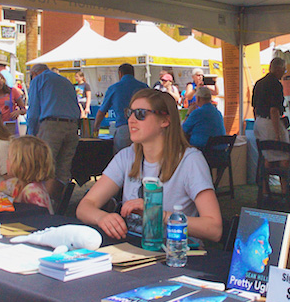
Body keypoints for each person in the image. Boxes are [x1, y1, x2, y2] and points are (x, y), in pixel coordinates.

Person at [77, 88, 222, 242]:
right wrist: (102, 218)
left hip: (174, 253)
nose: (131, 120)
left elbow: (214, 229)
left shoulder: (190, 161)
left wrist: (158, 214)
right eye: (129, 113)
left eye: (140, 114)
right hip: (133, 248)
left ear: (165, 121)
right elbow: (85, 206)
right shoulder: (127, 156)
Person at [25, 65, 80, 202]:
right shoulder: (66, 81)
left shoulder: (39, 80)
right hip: (72, 126)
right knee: (63, 170)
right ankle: (59, 204)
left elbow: (33, 111)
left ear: (34, 73)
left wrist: (31, 135)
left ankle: (45, 205)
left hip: (51, 125)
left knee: (45, 167)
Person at [0, 135, 55, 211]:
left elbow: (40, 219)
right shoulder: (14, 184)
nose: (6, 161)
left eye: (9, 158)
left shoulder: (33, 191)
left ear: (21, 165)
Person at [94, 63, 149, 152]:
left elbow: (102, 111)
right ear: (133, 73)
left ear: (120, 74)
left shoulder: (114, 88)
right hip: (143, 128)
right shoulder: (143, 87)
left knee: (122, 161)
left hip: (124, 129)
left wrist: (96, 127)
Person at [252, 56, 290, 168]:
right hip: (270, 123)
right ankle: (284, 185)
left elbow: (254, 107)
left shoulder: (258, 83)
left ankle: (264, 185)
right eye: (284, 69)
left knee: (266, 155)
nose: (284, 72)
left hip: (259, 122)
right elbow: (274, 110)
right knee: (284, 155)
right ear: (279, 69)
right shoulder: (276, 84)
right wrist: (277, 133)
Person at [74, 70, 92, 137]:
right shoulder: (74, 85)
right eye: (75, 77)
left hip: (83, 104)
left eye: (77, 76)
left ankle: (84, 134)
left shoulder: (86, 85)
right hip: (76, 105)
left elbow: (88, 96)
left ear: (81, 77)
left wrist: (87, 107)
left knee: (83, 120)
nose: (76, 78)